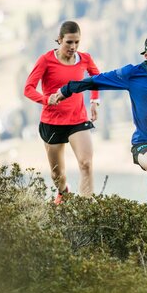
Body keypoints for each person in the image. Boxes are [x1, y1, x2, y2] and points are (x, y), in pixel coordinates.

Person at [48, 33, 147, 215]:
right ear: (146, 55)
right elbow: (97, 80)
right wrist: (66, 89)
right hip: (144, 142)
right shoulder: (132, 74)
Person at [24, 21, 101, 203]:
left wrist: (94, 101)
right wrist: (46, 99)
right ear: (59, 40)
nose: (73, 47)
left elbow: (97, 78)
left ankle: (86, 210)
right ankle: (63, 192)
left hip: (77, 120)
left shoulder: (85, 59)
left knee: (86, 164)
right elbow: (28, 89)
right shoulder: (46, 60)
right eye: (69, 42)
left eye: (77, 42)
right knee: (57, 174)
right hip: (52, 122)